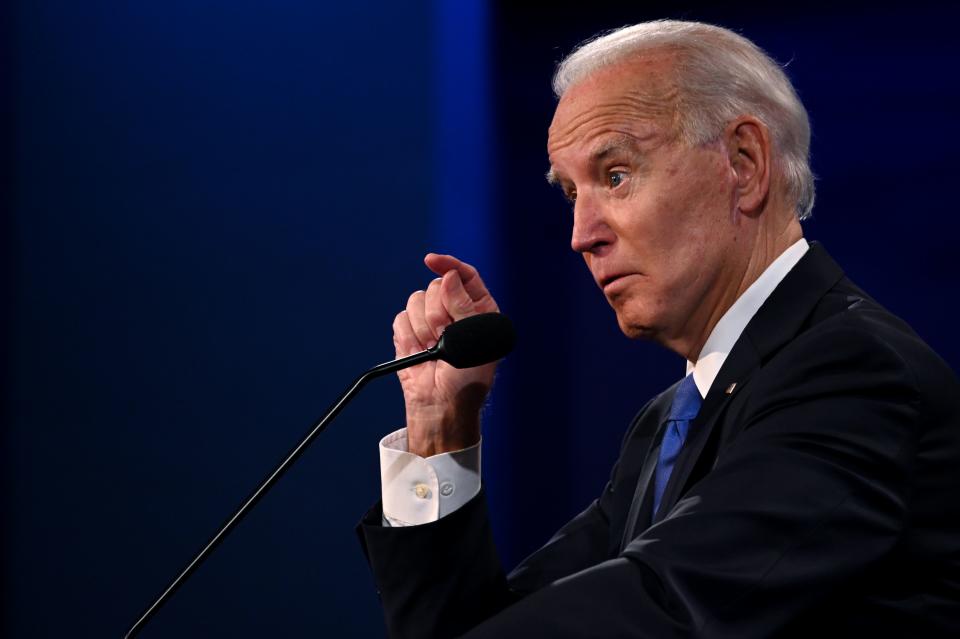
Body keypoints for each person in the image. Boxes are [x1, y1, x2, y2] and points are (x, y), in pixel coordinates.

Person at [357, 20, 960, 638]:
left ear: (744, 165)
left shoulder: (852, 373)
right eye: (570, 193)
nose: (580, 234)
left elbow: (664, 611)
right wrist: (438, 432)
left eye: (615, 176)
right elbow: (487, 626)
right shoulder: (672, 418)